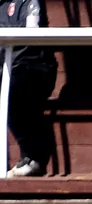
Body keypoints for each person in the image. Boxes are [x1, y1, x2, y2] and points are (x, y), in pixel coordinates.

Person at [1, 0, 57, 178]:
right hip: (8, 67)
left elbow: (30, 39)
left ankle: (32, 158)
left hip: (35, 66)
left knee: (15, 88)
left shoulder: (31, 2)